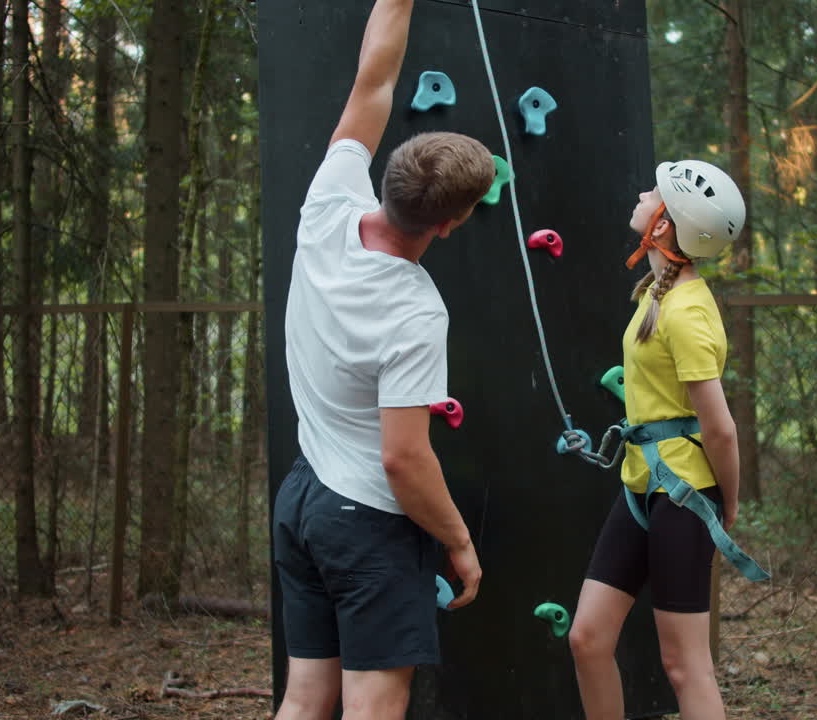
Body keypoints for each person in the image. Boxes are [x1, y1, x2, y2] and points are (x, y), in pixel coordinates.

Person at [271, 1, 493, 718]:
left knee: (304, 702)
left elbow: (373, 85)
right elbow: (404, 459)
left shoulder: (329, 202)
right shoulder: (415, 309)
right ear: (450, 224)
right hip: (367, 519)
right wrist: (458, 540)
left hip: (302, 502)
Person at [568, 160, 749, 720]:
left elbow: (719, 426)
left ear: (666, 225)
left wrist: (727, 501)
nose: (643, 191)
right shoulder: (658, 293)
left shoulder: (687, 311)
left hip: (685, 494)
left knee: (684, 664)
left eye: (656, 192)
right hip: (642, 485)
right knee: (588, 638)